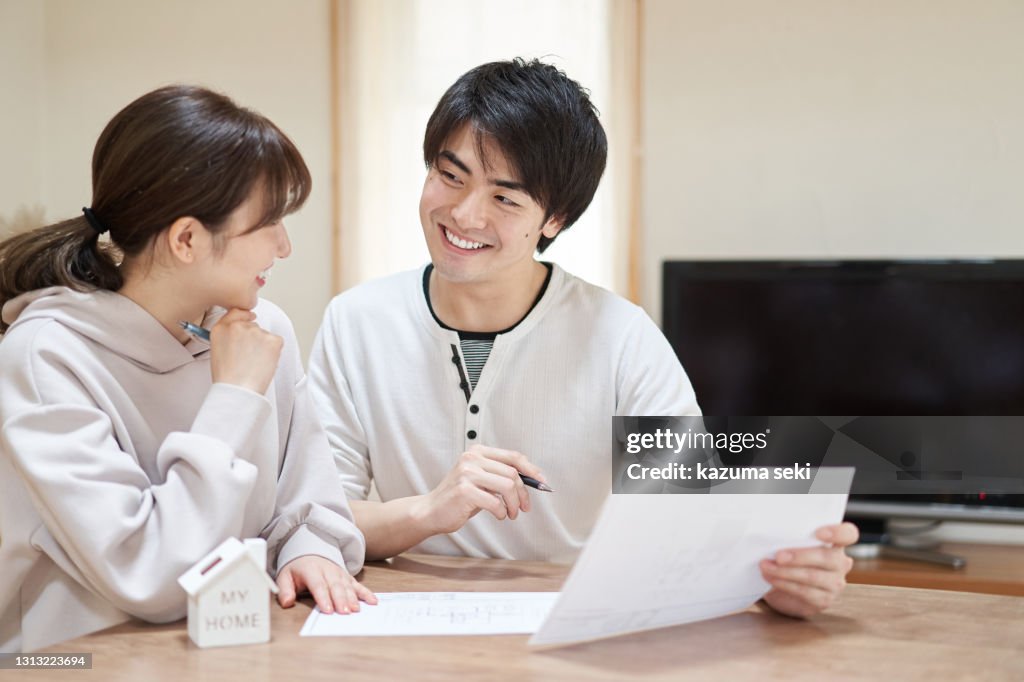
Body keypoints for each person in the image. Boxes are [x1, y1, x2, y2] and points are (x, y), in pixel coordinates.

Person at [308, 58, 857, 618]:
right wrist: (429, 511)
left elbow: (690, 513)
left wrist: (776, 576)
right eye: (450, 176)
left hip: (573, 621)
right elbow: (320, 519)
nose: (464, 214)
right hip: (401, 617)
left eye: (505, 198)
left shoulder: (620, 336)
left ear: (556, 219)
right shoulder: (356, 321)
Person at [0, 85, 375, 653]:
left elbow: (309, 502)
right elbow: (147, 575)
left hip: (233, 653)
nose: (285, 245)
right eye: (269, 222)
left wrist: (310, 549)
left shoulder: (260, 329)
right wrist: (235, 398)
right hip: (68, 662)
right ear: (187, 239)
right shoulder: (46, 357)